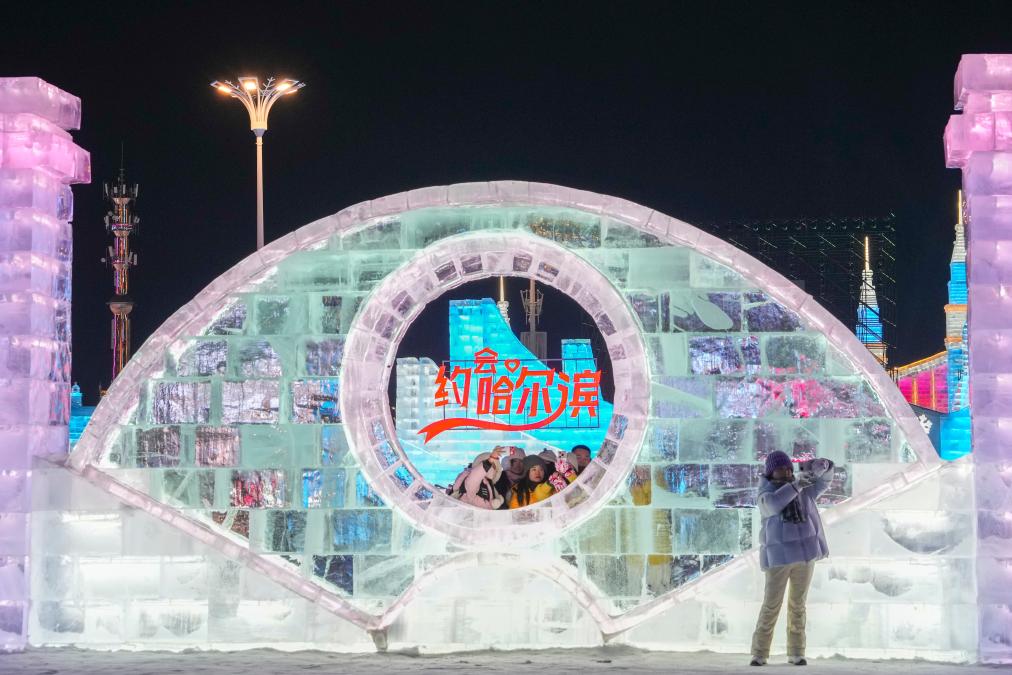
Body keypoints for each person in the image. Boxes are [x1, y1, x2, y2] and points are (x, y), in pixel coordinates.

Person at [749, 450, 834, 667]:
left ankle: (796, 651)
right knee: (771, 605)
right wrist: (797, 485)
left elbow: (823, 483)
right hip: (778, 559)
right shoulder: (765, 493)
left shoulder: (802, 488)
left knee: (798, 605)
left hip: (804, 557)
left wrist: (825, 466)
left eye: (788, 468)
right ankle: (759, 652)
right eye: (780, 468)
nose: (786, 471)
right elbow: (774, 504)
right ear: (771, 472)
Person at [509, 451, 578, 508]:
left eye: (541, 469)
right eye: (534, 469)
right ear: (526, 472)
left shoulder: (554, 485)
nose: (538, 473)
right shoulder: (517, 490)